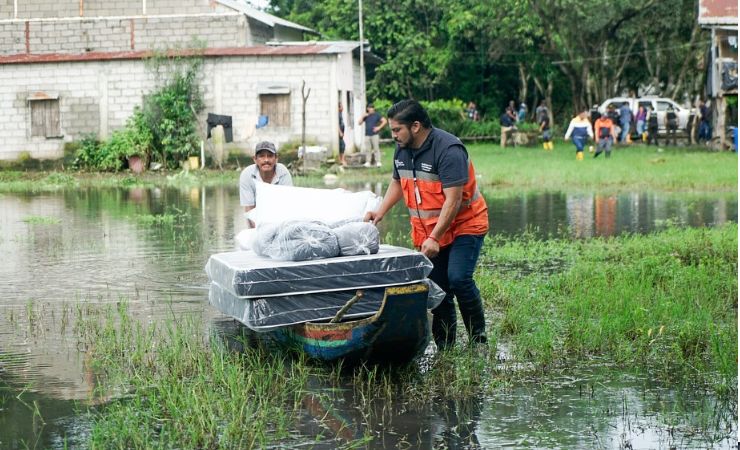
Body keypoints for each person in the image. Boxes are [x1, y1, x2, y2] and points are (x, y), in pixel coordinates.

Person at [364, 99, 489, 350]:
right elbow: (398, 182)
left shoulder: (449, 150)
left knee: (459, 279)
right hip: (429, 231)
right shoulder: (402, 149)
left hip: (464, 224)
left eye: (397, 129)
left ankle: (479, 342)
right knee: (438, 288)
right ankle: (446, 347)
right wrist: (380, 212)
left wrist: (434, 237)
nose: (393, 135)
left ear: (416, 126)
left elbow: (453, 201)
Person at [239, 141, 293, 228]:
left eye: (270, 156)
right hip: (256, 219)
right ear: (255, 159)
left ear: (276, 159)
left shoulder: (283, 173)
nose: (266, 160)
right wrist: (258, 231)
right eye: (261, 156)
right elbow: (249, 209)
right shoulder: (247, 175)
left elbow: (287, 205)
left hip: (279, 218)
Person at [358, 103, 387, 167]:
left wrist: (379, 127)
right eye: (369, 108)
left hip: (374, 134)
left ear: (373, 109)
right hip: (367, 135)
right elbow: (359, 123)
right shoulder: (366, 116)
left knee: (376, 148)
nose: (371, 109)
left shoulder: (377, 115)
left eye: (372, 108)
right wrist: (363, 116)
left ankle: (378, 162)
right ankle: (368, 162)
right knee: (368, 149)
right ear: (367, 109)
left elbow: (385, 121)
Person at [338, 102, 346, 166]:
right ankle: (342, 160)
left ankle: (341, 160)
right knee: (342, 145)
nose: (342, 108)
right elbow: (337, 124)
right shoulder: (338, 114)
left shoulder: (340, 114)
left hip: (341, 134)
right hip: (339, 134)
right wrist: (340, 132)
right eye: (341, 106)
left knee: (342, 146)